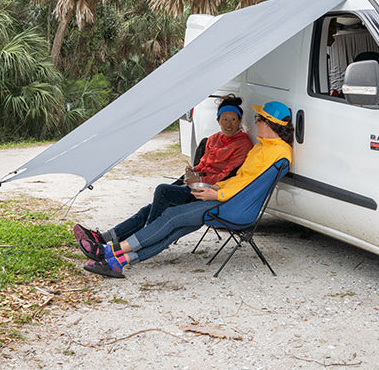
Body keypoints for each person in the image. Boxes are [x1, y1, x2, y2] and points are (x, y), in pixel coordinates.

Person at [78, 101, 295, 278]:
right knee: (176, 227)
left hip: (235, 208)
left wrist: (217, 194)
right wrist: (217, 186)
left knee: (172, 215)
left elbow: (250, 187)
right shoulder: (262, 147)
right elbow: (241, 178)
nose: (255, 123)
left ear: (269, 124)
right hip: (227, 197)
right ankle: (119, 262)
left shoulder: (279, 154)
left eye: (258, 119)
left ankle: (110, 250)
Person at [72, 96, 252, 258]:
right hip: (195, 186)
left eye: (233, 119)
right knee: (149, 208)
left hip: (209, 191)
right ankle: (105, 237)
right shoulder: (213, 139)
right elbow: (203, 165)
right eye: (225, 119)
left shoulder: (242, 143)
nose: (229, 124)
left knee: (162, 191)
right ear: (218, 120)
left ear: (240, 121)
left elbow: (227, 174)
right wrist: (192, 171)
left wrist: (201, 181)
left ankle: (143, 235)